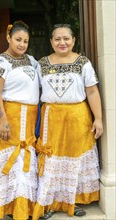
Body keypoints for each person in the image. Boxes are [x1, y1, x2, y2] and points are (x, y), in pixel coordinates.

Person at [32, 24, 103, 219]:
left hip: (78, 117)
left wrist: (98, 119)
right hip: (51, 118)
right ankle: (51, 202)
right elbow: (33, 92)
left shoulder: (83, 62)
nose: (62, 42)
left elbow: (92, 91)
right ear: (51, 42)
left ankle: (74, 200)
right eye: (57, 39)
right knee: (52, 159)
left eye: (66, 39)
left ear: (73, 40)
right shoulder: (42, 64)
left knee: (76, 158)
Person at [0, 20, 40, 220]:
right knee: (12, 160)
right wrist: (3, 119)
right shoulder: (0, 62)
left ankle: (26, 208)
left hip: (31, 118)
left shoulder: (32, 60)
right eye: (18, 39)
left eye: (25, 41)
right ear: (8, 38)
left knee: (27, 161)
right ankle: (11, 209)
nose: (22, 44)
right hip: (12, 117)